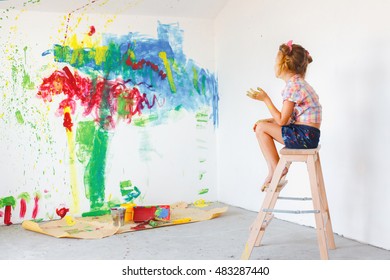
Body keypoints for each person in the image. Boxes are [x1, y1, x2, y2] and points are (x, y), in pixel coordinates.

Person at [247, 40, 322, 191]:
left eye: (276, 61)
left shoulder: (293, 87)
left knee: (261, 128)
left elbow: (282, 121)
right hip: (308, 135)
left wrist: (265, 99)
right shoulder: (299, 84)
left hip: (304, 136)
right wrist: (267, 121)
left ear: (284, 65)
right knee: (262, 125)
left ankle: (276, 169)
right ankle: (275, 168)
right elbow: (288, 119)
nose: (274, 65)